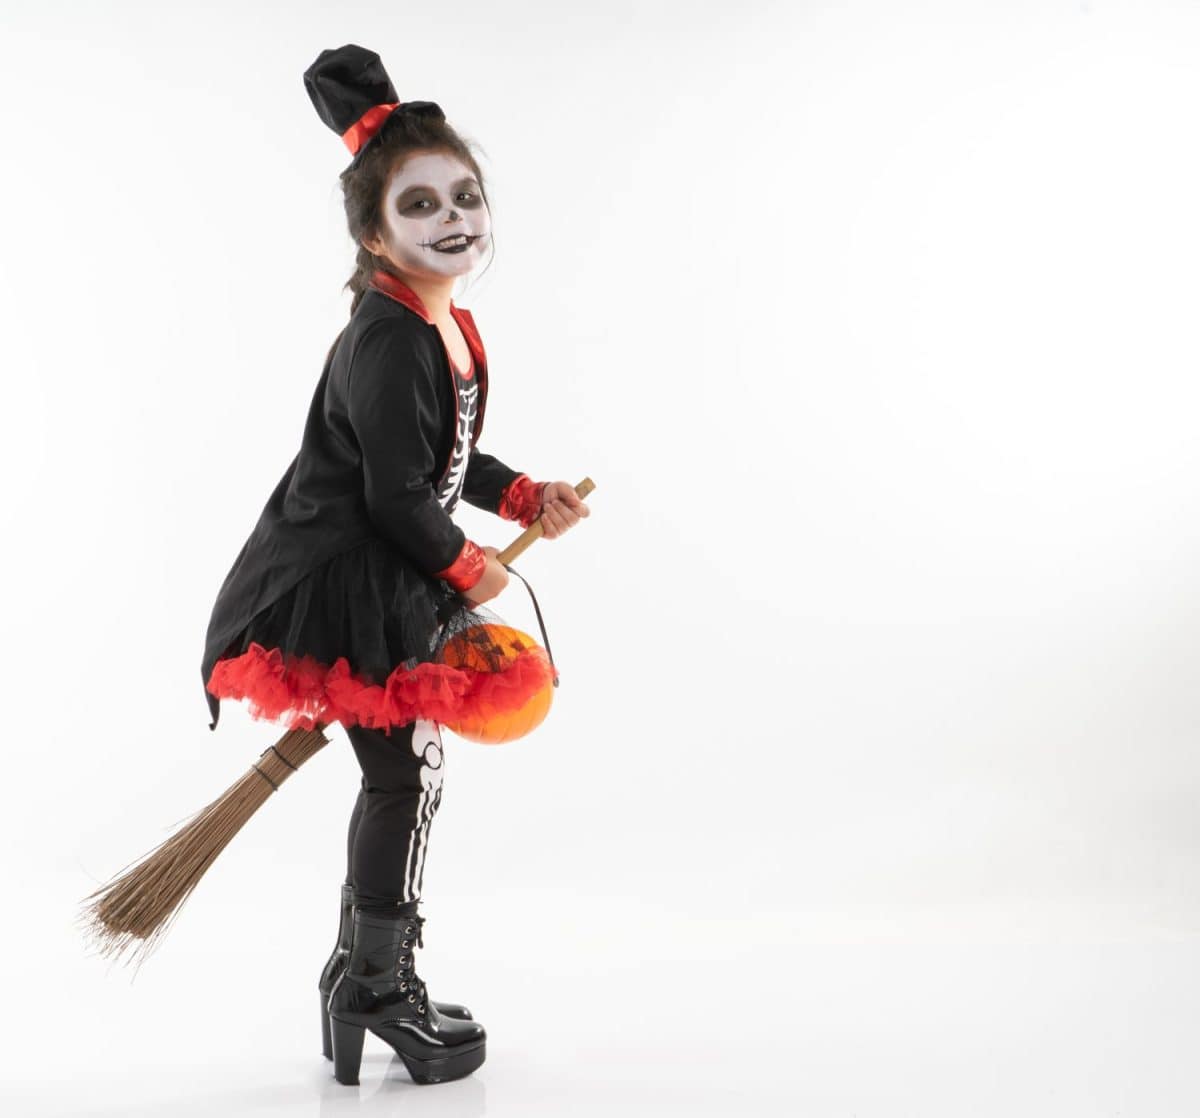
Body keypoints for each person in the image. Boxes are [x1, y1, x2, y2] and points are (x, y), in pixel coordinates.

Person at [199, 43, 589, 1087]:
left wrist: (518, 497)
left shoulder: (446, 322)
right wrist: (475, 571)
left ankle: (360, 973)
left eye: (465, 195)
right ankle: (374, 983)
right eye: (422, 205)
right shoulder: (388, 337)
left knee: (399, 769)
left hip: (391, 563)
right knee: (404, 769)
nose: (454, 218)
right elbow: (389, 497)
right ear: (376, 234)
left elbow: (436, 460)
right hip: (347, 575)